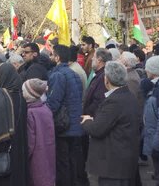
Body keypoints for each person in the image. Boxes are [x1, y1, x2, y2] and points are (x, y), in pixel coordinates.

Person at [81, 61, 141, 186]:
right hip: (123, 159)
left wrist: (86, 121)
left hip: (114, 163)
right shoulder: (127, 95)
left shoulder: (115, 101)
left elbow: (97, 129)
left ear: (106, 79)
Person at [47, 45, 84, 186]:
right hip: (74, 124)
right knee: (72, 161)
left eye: (52, 55)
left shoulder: (58, 75)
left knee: (63, 163)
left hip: (64, 126)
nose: (50, 57)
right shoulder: (73, 73)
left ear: (57, 57)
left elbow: (54, 102)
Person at [23, 78, 55, 186]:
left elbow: (30, 142)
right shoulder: (45, 108)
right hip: (48, 154)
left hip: (36, 159)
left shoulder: (30, 113)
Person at [83, 48, 112, 117]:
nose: (92, 59)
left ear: (99, 60)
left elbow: (98, 100)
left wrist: (87, 114)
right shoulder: (100, 74)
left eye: (94, 57)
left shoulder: (103, 77)